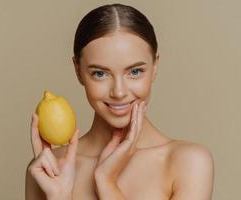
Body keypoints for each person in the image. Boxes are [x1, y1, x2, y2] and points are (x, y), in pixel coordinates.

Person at [25, 3, 214, 200]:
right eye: (100, 73)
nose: (119, 92)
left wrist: (106, 182)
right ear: (78, 70)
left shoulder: (188, 162)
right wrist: (59, 196)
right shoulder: (49, 168)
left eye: (135, 72)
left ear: (155, 66)